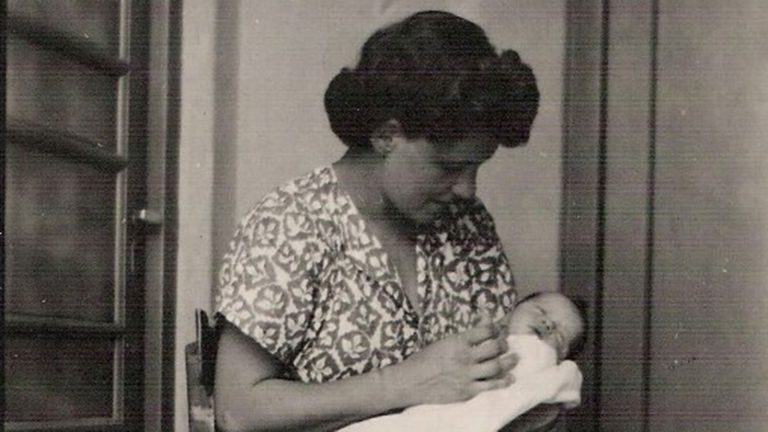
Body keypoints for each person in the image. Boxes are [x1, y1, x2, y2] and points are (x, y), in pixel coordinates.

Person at [213, 10, 550, 432]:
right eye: (449, 167)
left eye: (475, 168)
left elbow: (497, 376)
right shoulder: (291, 225)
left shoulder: (469, 225)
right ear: (386, 135)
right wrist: (403, 383)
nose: (468, 190)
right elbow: (236, 412)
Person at [338, 291, 585, 432]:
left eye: (560, 336)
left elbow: (553, 391)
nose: (548, 324)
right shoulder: (479, 336)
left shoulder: (546, 370)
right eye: (540, 311)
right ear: (510, 314)